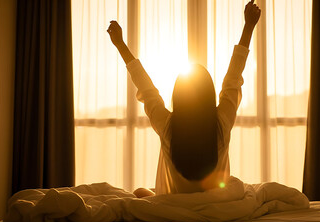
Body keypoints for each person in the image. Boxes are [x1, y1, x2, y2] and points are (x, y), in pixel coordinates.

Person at [107, 0, 261, 197]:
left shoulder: (168, 126)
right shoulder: (221, 123)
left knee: (139, 192)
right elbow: (233, 79)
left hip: (173, 205)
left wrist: (120, 44)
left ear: (178, 97)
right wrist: (248, 27)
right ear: (209, 95)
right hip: (216, 204)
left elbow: (146, 89)